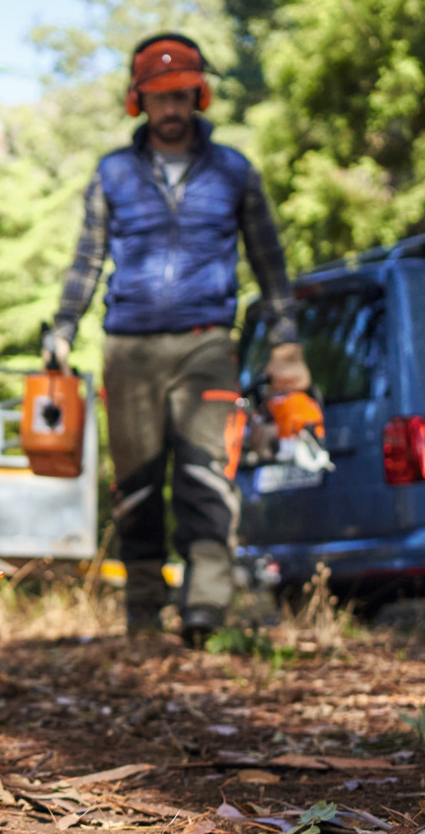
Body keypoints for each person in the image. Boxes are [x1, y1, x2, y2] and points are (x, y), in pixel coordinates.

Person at [43, 32, 310, 645]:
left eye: (181, 95)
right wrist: (62, 328)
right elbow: (87, 260)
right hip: (128, 346)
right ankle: (142, 613)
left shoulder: (234, 171)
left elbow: (270, 261)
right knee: (136, 483)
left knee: (206, 478)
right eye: (159, 97)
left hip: (208, 344)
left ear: (200, 95)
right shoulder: (113, 172)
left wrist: (285, 339)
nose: (171, 108)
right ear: (139, 101)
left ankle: (204, 613)